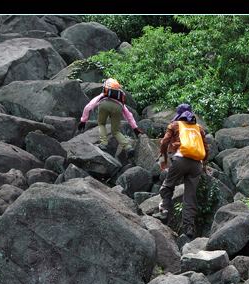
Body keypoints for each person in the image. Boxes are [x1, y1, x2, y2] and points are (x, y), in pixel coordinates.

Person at [153, 103, 209, 239]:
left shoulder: (174, 125)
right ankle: (189, 226)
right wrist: (204, 166)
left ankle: (165, 211)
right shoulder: (199, 128)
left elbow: (164, 142)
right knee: (190, 195)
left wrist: (164, 156)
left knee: (168, 185)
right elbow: (206, 148)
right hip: (196, 165)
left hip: (180, 161)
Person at [78, 78, 143, 158]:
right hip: (118, 108)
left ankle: (104, 144)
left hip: (104, 104)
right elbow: (129, 115)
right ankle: (128, 147)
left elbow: (88, 106)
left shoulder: (103, 95)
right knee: (116, 131)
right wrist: (135, 128)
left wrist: (83, 120)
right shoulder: (119, 100)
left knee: (101, 124)